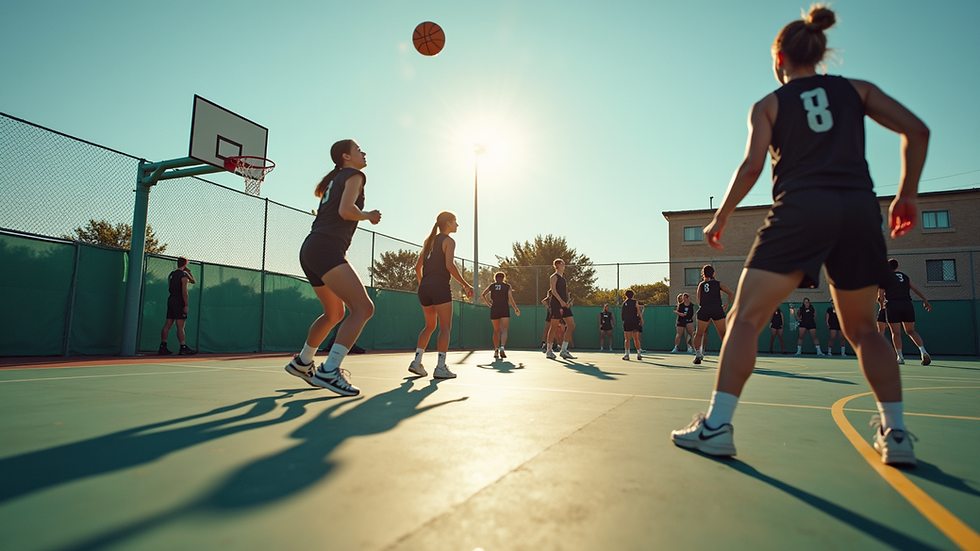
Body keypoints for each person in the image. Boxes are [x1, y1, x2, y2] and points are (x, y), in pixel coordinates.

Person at [670, 5, 929, 466]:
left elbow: (752, 166)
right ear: (819, 53)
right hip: (858, 209)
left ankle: (716, 427)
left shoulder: (769, 103)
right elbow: (917, 130)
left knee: (746, 318)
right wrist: (906, 195)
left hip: (801, 208)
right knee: (865, 328)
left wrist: (721, 216)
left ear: (779, 58)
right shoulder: (857, 89)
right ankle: (897, 434)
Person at [285, 139, 381, 396]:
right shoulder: (355, 175)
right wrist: (368, 214)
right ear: (346, 157)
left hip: (311, 249)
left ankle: (303, 362)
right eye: (358, 149)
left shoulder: (335, 179)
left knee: (334, 313)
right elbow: (346, 211)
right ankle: (330, 370)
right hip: (326, 249)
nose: (363, 152)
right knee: (363, 307)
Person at [409, 211, 475, 379]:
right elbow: (449, 265)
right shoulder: (449, 241)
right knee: (445, 326)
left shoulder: (429, 241)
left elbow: (417, 268)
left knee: (429, 326)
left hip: (424, 288)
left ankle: (416, 362)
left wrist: (424, 284)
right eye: (455, 222)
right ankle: (440, 367)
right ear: (448, 223)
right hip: (439, 287)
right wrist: (466, 285)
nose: (457, 225)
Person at [880, 259, 932, 365]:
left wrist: (881, 307)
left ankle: (900, 357)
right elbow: (915, 289)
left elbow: (880, 296)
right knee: (911, 331)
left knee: (896, 333)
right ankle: (923, 351)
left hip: (893, 305)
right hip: (907, 304)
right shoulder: (905, 277)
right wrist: (925, 300)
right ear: (897, 266)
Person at [691, 265, 734, 365]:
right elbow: (731, 293)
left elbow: (699, 301)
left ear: (703, 274)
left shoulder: (701, 285)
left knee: (699, 333)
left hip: (705, 309)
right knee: (723, 333)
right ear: (713, 274)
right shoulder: (718, 284)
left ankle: (698, 355)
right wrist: (726, 305)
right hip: (716, 309)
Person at [159, 256, 197, 356]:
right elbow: (185, 291)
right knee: (180, 326)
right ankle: (183, 347)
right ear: (185, 264)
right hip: (179, 301)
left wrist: (188, 272)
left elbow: (192, 281)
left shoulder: (172, 274)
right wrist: (185, 305)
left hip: (171, 300)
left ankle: (163, 346)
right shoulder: (183, 275)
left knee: (168, 324)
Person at [481, 271, 521, 360]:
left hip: (494, 308)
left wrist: (489, 304)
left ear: (495, 278)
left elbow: (483, 295)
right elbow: (510, 298)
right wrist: (515, 308)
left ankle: (496, 349)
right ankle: (502, 347)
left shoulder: (492, 286)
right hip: (504, 309)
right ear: (504, 278)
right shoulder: (507, 286)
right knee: (504, 329)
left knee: (496, 330)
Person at [546, 259, 576, 360]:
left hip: (564, 304)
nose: (564, 265)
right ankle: (549, 350)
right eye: (562, 264)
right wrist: (560, 302)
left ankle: (563, 350)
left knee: (571, 325)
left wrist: (567, 302)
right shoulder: (554, 277)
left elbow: (566, 293)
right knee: (554, 326)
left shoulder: (563, 279)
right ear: (557, 265)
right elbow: (553, 291)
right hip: (556, 304)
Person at [622, 289, 642, 360]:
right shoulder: (635, 302)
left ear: (626, 295)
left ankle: (627, 355)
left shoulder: (624, 303)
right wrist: (641, 319)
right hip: (634, 321)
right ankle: (639, 354)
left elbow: (622, 314)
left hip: (627, 322)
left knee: (627, 339)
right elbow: (638, 312)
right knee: (636, 338)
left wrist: (625, 319)